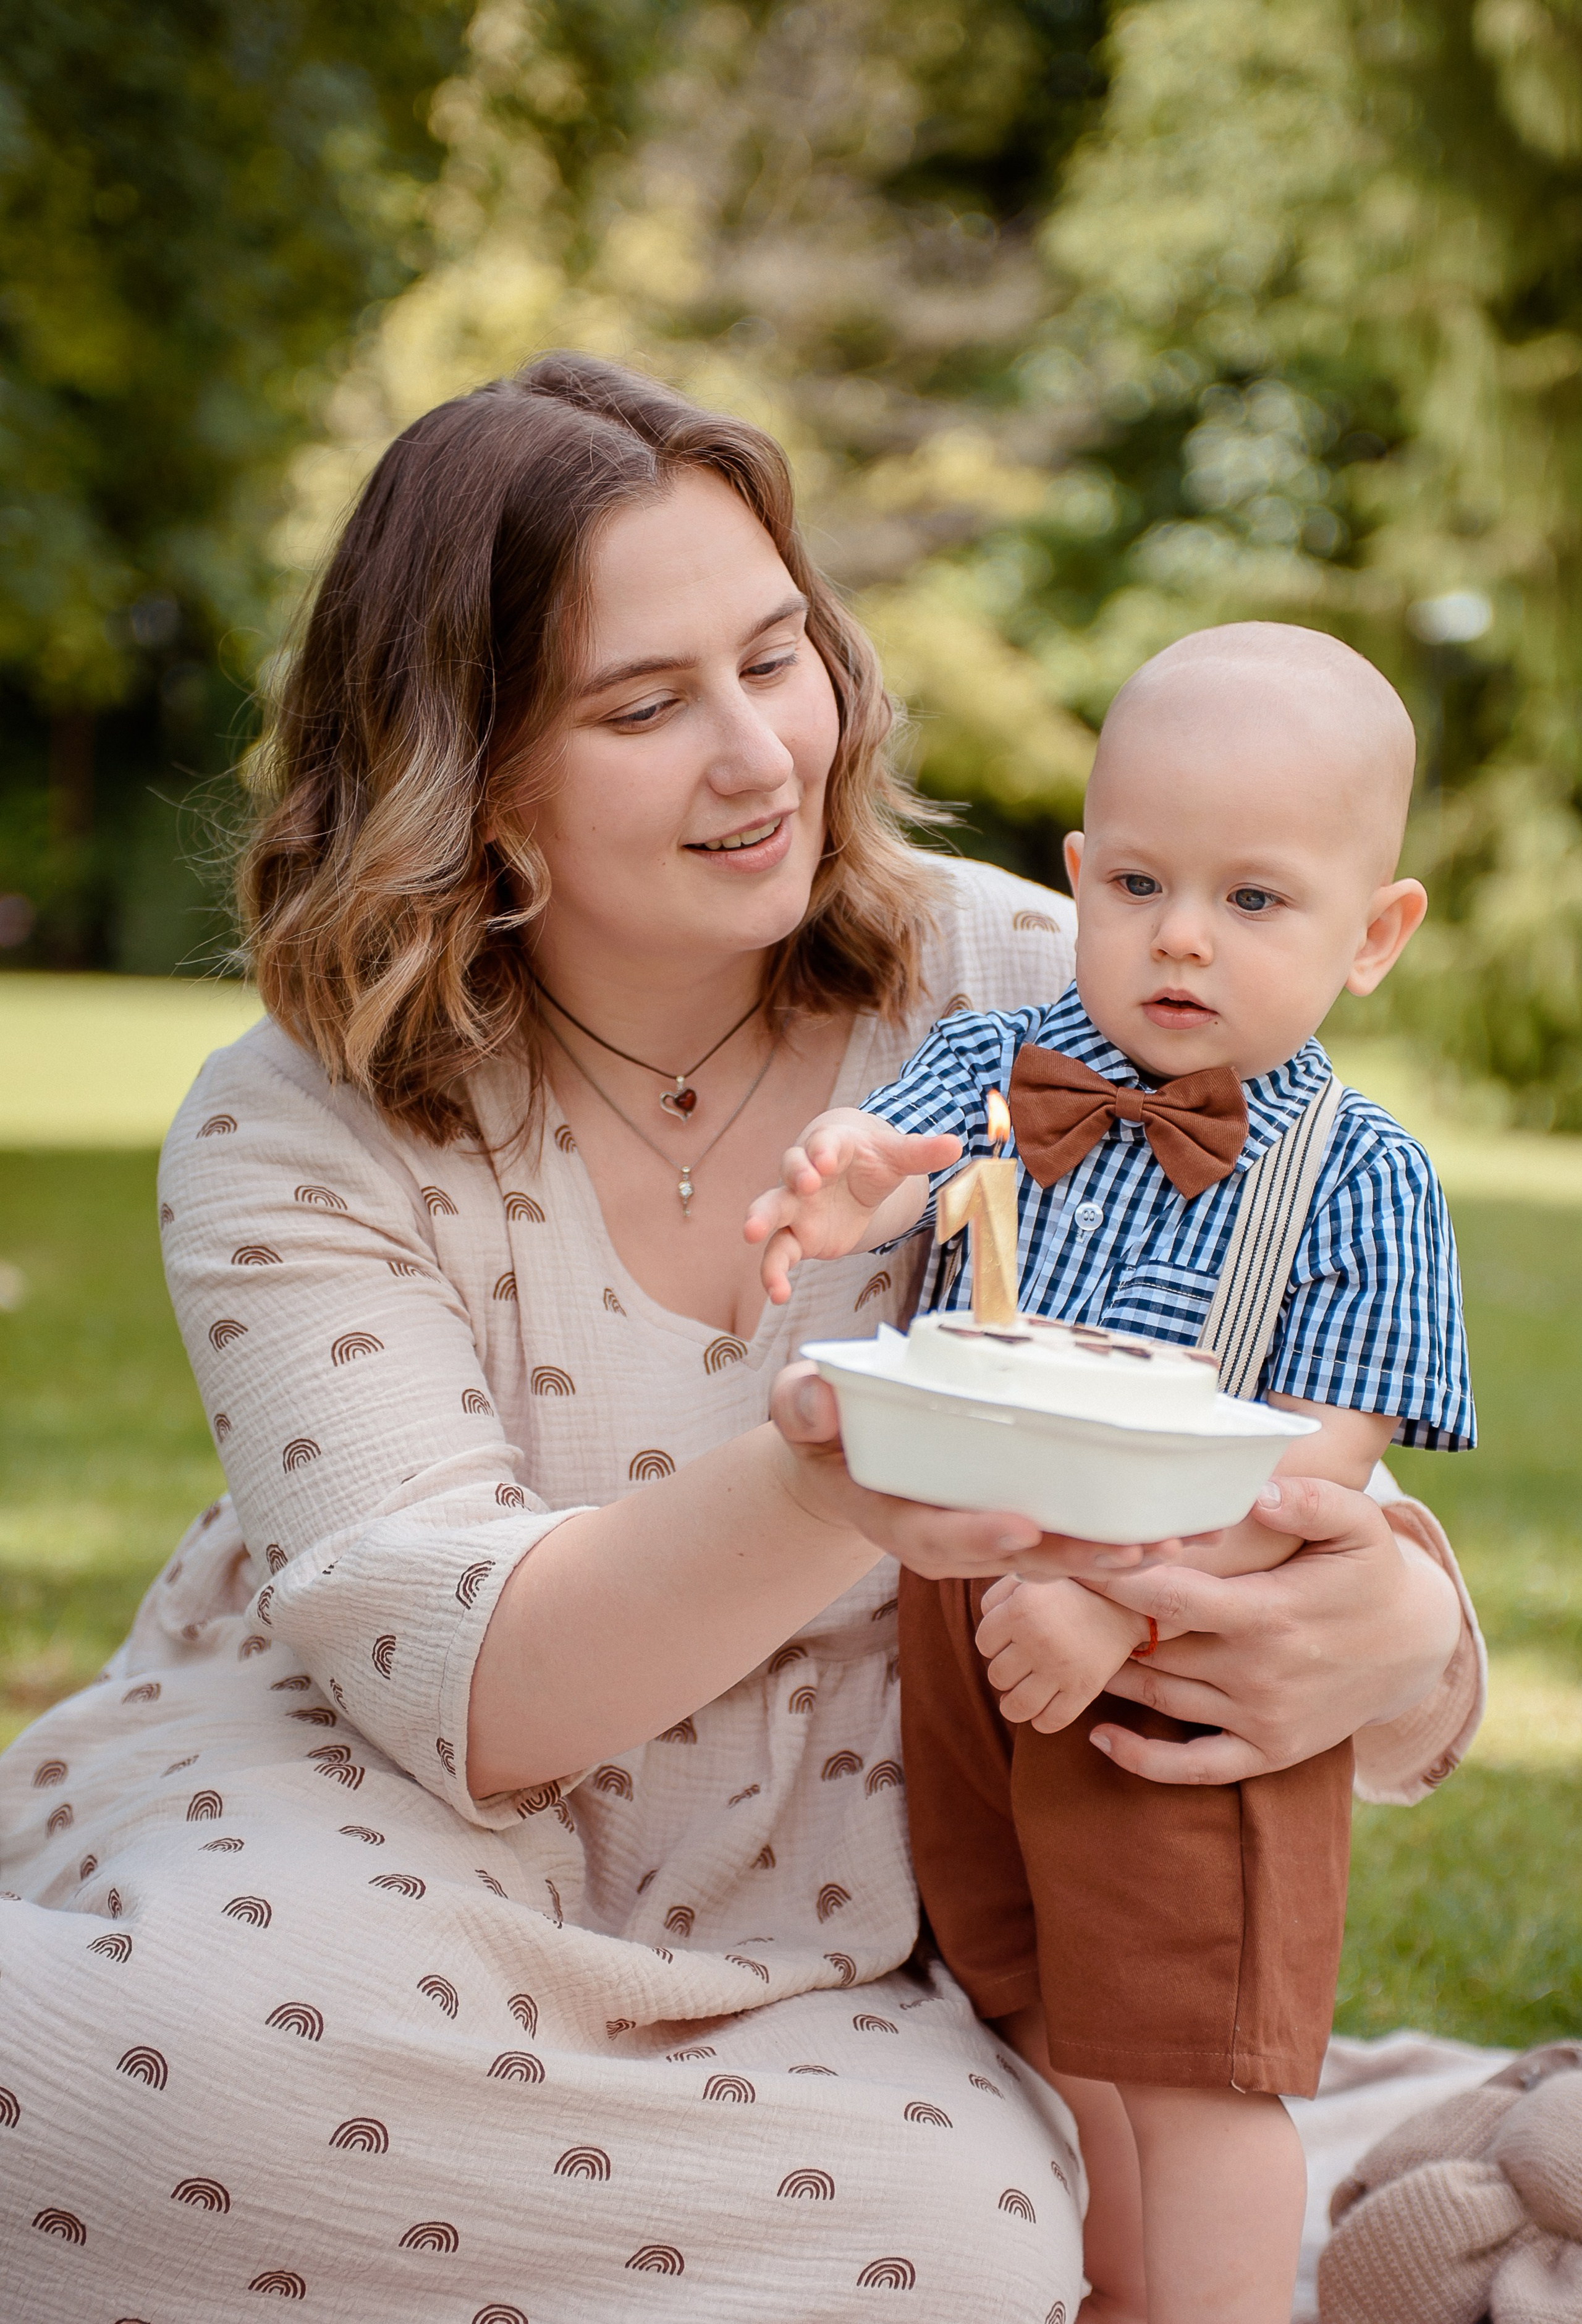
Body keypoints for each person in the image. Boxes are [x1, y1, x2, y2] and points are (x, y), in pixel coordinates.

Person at [0, 359, 1480, 2324]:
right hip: (389, 1830)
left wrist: (1407, 1637)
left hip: (853, 1887)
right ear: (473, 772)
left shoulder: (1053, 980)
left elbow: (1277, 1362)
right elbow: (474, 1692)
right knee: (129, 2083)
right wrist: (841, 1474)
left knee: (948, 2254)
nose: (762, 757)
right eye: (644, 705)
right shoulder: (294, 1123)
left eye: (780, 659)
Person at [745, 624, 1474, 2324]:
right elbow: (903, 1166)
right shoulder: (1011, 1076)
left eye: (1255, 901)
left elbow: (1307, 1481)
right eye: (1139, 881)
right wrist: (853, 1188)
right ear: (1076, 875)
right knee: (1039, 2009)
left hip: (1181, 1665)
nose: (1181, 940)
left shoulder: (1356, 1181)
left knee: (1194, 2059)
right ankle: (1117, 2293)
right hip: (969, 1644)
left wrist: (1113, 1614)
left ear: (1376, 936)